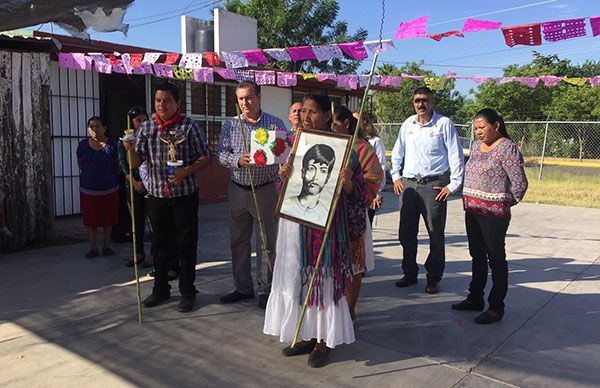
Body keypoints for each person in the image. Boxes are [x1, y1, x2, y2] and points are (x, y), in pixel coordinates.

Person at [264, 94, 365, 368]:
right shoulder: (296, 145)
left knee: (324, 282)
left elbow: (360, 192)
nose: (305, 117)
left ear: (326, 116)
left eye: (312, 112)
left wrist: (347, 184)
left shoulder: (346, 150)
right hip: (297, 228)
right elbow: (286, 192)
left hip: (328, 229)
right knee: (301, 281)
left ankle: (324, 340)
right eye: (302, 111)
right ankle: (308, 334)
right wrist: (283, 175)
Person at [123, 82, 211, 313]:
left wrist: (186, 171)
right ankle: (160, 289)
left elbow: (205, 156)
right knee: (159, 244)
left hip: (185, 194)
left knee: (186, 244)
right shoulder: (147, 128)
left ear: (178, 103)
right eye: (158, 100)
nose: (162, 104)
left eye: (167, 100)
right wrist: (129, 148)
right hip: (157, 195)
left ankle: (188, 292)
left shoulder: (189, 127)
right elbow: (136, 162)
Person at [452, 108, 528, 324]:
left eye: (482, 127)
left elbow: (520, 182)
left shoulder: (507, 148)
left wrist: (508, 200)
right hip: (473, 210)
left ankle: (496, 307)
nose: (478, 131)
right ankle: (475, 298)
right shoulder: (476, 146)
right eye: (475, 128)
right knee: (477, 256)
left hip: (494, 215)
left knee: (496, 258)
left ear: (496, 125)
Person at [216, 80, 285, 310]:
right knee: (238, 241)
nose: (245, 103)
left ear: (259, 96)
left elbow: (283, 155)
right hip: (237, 188)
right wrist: (237, 160)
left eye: (249, 97)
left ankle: (266, 289)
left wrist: (280, 161)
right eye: (241, 99)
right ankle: (242, 287)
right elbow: (221, 154)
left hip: (265, 188)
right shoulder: (231, 125)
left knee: (267, 242)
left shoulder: (275, 123)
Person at [390, 87, 465, 294]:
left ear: (432, 102)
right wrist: (396, 177)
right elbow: (398, 152)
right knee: (406, 233)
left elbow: (455, 156)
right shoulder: (408, 124)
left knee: (435, 234)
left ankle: (433, 277)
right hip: (409, 185)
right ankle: (409, 273)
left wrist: (453, 185)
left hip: (434, 186)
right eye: (417, 100)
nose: (420, 104)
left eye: (425, 100)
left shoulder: (443, 124)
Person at [332, 106, 383, 323]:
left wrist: (352, 184)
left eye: (335, 123)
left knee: (354, 266)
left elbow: (375, 178)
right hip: (329, 218)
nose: (332, 128)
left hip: (353, 217)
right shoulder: (325, 143)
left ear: (346, 124)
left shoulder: (361, 148)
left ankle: (349, 312)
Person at [77, 116, 119, 258]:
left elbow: (118, 165)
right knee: (91, 218)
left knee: (108, 217)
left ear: (104, 128)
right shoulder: (83, 145)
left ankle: (107, 245)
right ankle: (93, 247)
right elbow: (81, 164)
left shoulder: (113, 145)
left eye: (97, 126)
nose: (94, 129)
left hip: (109, 187)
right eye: (91, 127)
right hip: (89, 188)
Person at [118, 107, 151, 268]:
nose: (142, 123)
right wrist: (135, 182)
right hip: (133, 184)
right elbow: (124, 164)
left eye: (145, 120)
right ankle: (138, 253)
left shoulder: (152, 138)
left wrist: (146, 183)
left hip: (150, 185)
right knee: (136, 222)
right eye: (138, 120)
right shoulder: (124, 140)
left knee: (154, 221)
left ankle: (154, 254)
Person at [281, 144, 335, 227]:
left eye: (323, 171)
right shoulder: (285, 206)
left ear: (327, 177)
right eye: (311, 169)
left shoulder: (325, 215)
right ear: (303, 172)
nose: (315, 177)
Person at [353, 110, 386, 225]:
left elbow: (380, 167)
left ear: (364, 121)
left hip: (369, 190)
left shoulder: (375, 141)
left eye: (356, 120)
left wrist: (377, 193)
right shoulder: (353, 141)